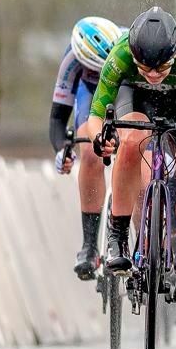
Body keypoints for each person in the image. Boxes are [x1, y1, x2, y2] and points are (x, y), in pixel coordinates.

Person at [79, 8, 176, 307]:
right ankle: (118, 236)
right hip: (137, 98)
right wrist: (100, 138)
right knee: (130, 141)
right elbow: (96, 114)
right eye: (145, 67)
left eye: (162, 68)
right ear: (133, 55)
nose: (153, 75)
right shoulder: (121, 54)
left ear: (175, 54)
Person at [49, 16, 122, 280]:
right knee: (90, 153)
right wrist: (62, 149)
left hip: (124, 88)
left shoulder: (128, 45)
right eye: (95, 69)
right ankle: (90, 246)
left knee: (134, 148)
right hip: (91, 96)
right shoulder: (72, 59)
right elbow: (58, 116)